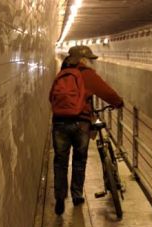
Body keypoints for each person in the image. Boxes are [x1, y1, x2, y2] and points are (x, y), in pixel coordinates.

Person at [49, 46, 124, 215]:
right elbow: (107, 92)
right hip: (81, 123)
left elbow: (51, 97)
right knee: (79, 160)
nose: (90, 62)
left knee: (60, 161)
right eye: (89, 59)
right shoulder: (87, 74)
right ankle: (76, 195)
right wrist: (118, 102)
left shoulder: (63, 73)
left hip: (59, 123)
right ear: (82, 60)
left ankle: (60, 197)